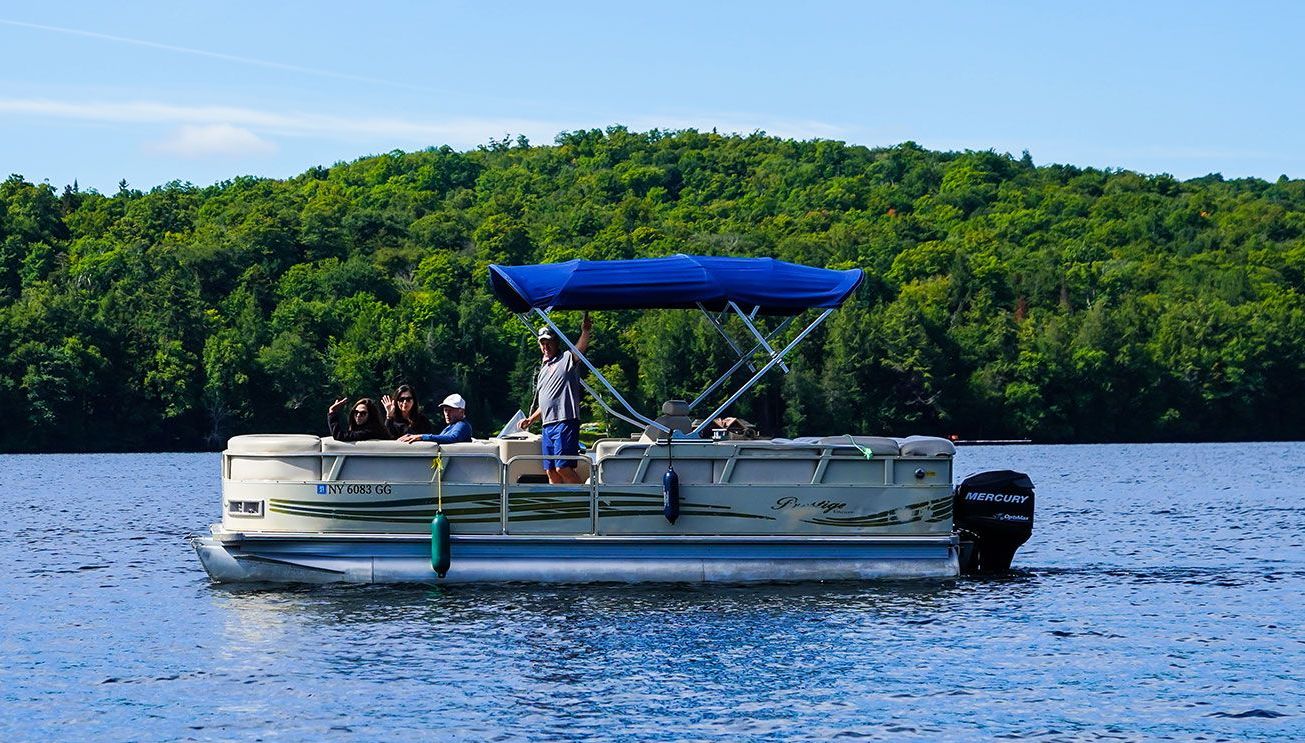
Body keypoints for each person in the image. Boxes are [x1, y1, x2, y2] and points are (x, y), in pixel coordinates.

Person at [518, 314, 591, 484]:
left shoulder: (566, 359)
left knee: (563, 467)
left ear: (556, 342)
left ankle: (585, 502)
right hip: (547, 425)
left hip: (565, 421)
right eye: (542, 343)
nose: (546, 346)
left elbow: (580, 350)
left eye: (549, 342)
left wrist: (585, 332)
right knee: (550, 471)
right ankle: (559, 504)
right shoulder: (543, 370)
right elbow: (545, 402)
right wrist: (531, 419)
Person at [399, 393, 473, 444]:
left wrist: (422, 437)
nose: (447, 413)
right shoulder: (451, 427)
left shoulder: (462, 425)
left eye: (451, 410)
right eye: (445, 410)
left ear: (462, 412)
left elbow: (453, 438)